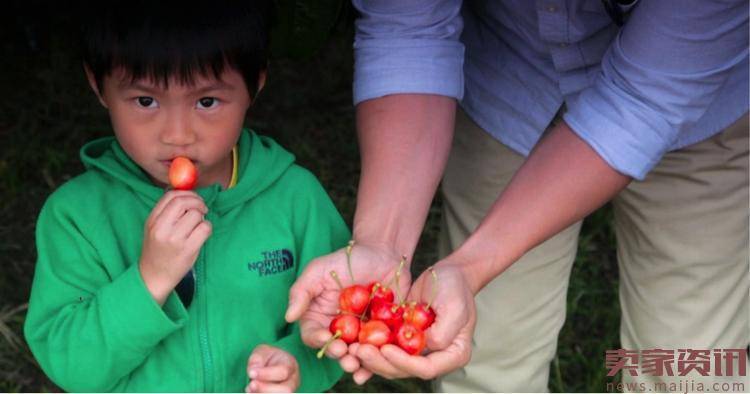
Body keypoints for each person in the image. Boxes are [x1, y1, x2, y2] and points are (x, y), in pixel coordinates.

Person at [285, 0, 749, 391]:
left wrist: (468, 269)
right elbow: (408, 26)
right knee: (487, 353)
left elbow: (646, 99)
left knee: (691, 364)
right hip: (511, 77)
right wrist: (385, 244)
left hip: (697, 117)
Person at [23, 1, 349, 392]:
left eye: (207, 101)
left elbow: (339, 325)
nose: (177, 134)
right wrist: (149, 280)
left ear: (256, 84)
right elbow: (72, 365)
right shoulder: (76, 217)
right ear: (98, 86)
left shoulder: (296, 199)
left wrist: (298, 369)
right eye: (146, 101)